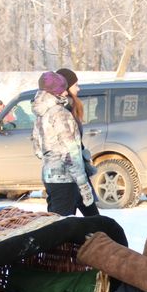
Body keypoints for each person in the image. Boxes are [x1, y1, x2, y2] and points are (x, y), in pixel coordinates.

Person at [32, 71, 98, 216]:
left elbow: (37, 147)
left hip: (51, 177)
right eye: (63, 88)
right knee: (63, 228)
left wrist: (51, 160)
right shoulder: (60, 113)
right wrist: (83, 184)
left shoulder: (41, 113)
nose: (65, 91)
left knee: (89, 221)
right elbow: (71, 152)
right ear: (57, 91)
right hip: (67, 179)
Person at [57, 67, 98, 206]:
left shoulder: (70, 107)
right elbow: (70, 148)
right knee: (66, 220)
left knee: (92, 216)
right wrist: (81, 179)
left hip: (77, 172)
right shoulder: (63, 111)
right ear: (66, 87)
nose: (79, 89)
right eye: (76, 85)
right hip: (68, 176)